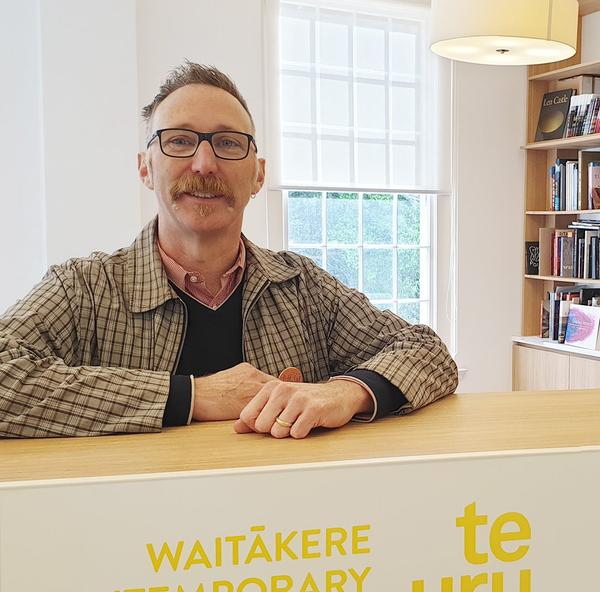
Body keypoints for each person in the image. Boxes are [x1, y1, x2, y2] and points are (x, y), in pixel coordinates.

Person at [0, 62, 458, 439]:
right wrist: (191, 396)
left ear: (258, 175)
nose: (204, 164)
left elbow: (426, 351)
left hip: (282, 535)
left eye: (227, 143)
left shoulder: (303, 288)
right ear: (145, 168)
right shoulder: (84, 289)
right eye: (179, 140)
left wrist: (343, 393)